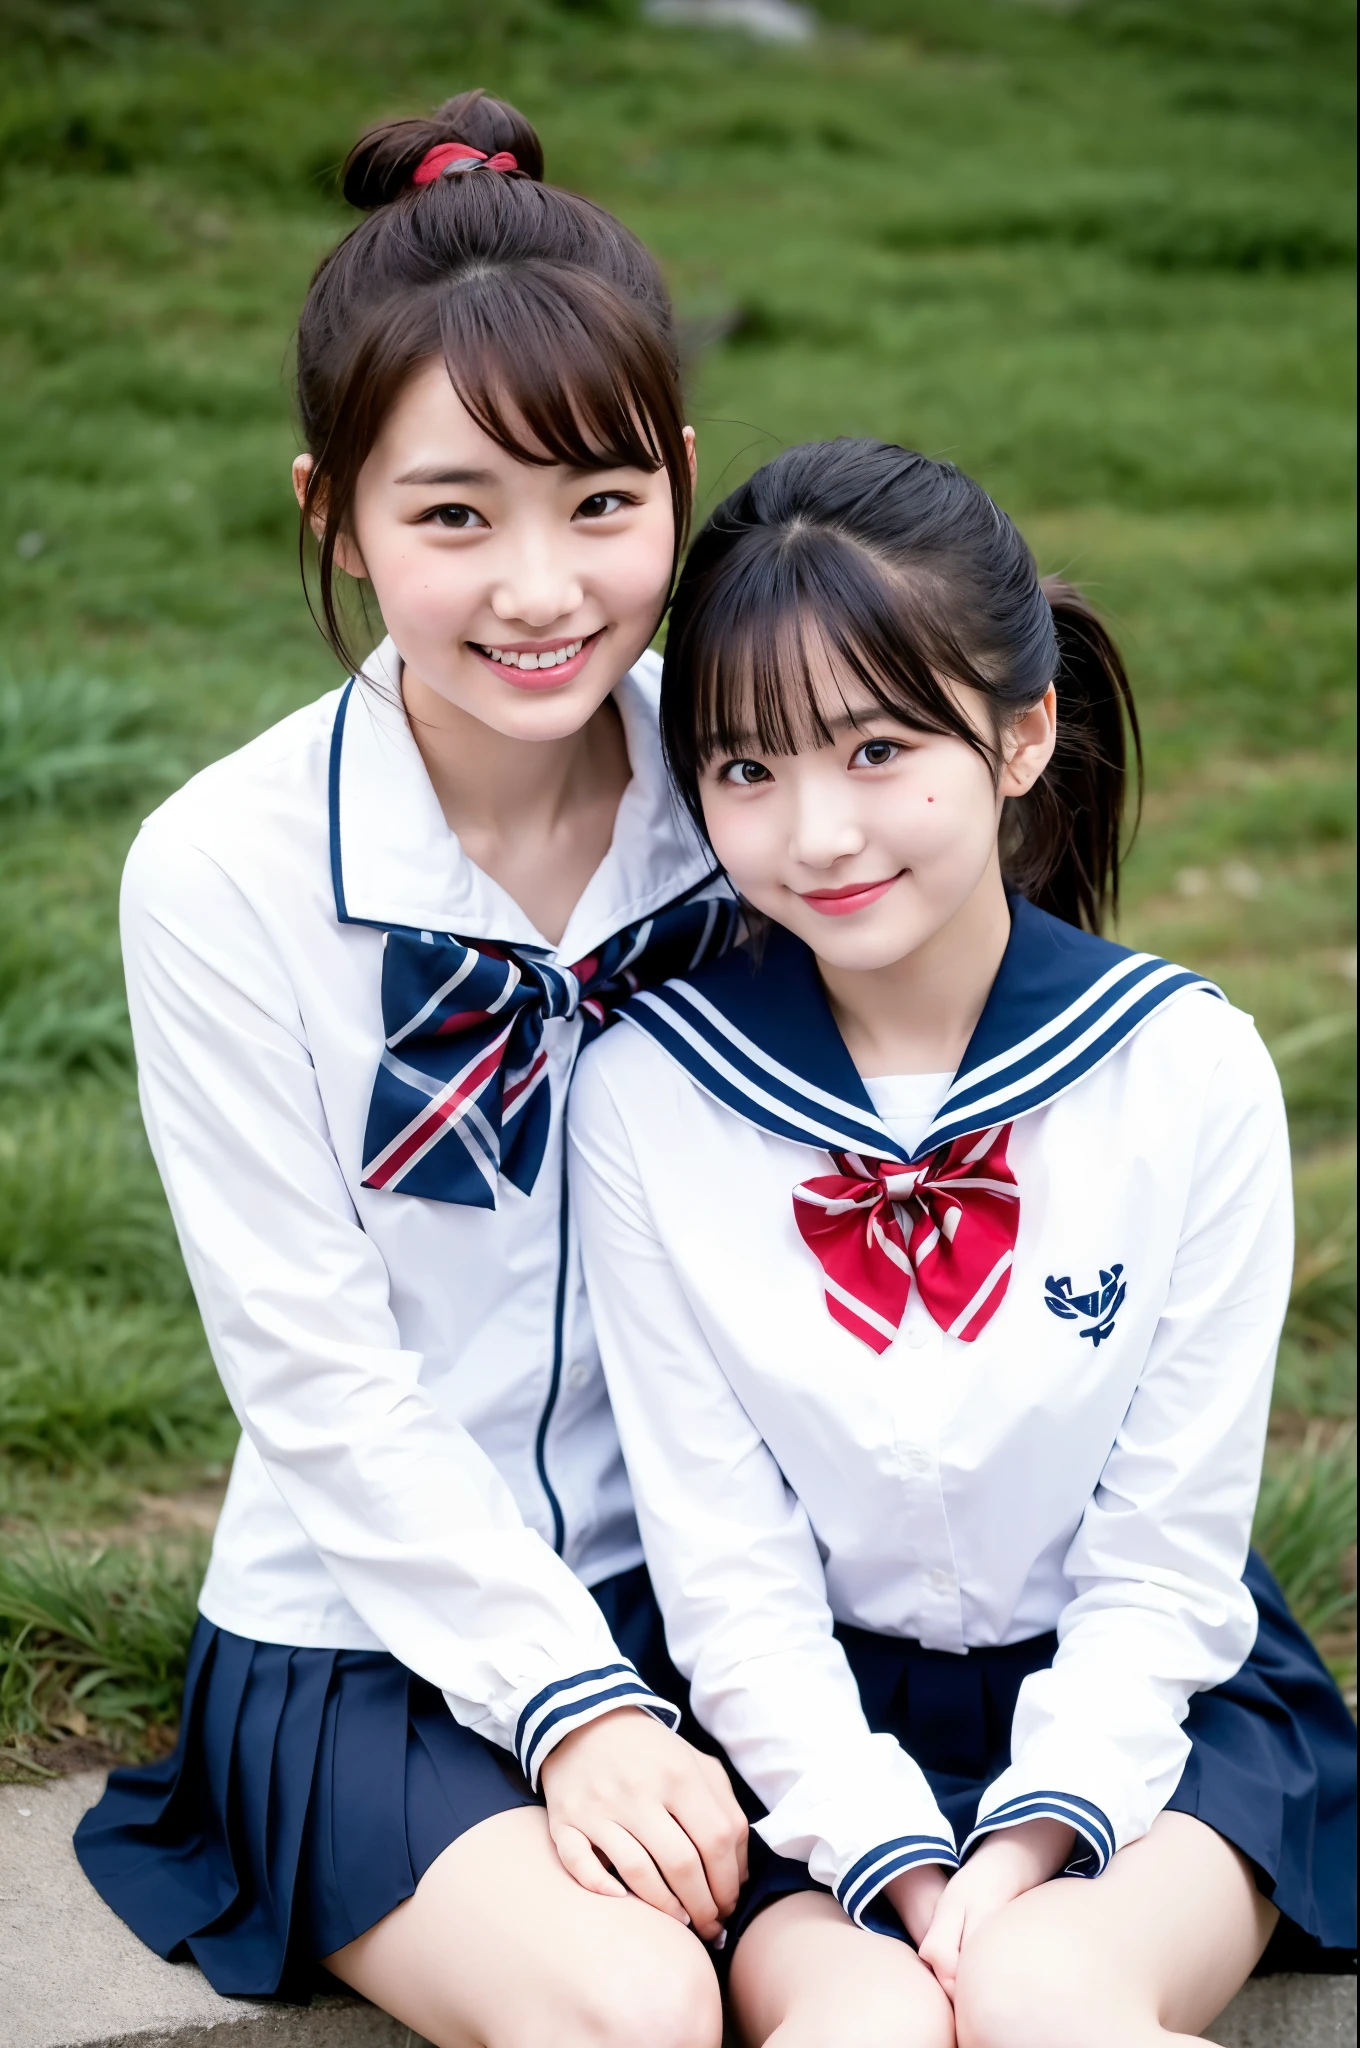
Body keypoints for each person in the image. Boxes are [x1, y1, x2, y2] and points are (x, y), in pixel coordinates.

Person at [74, 89, 748, 2048]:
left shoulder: (754, 796)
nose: (539, 589)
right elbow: (315, 1377)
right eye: (453, 513)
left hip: (730, 1590)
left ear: (680, 482)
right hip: (367, 1624)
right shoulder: (224, 867)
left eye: (600, 504)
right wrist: (574, 1704)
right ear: (335, 519)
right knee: (630, 2010)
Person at [568, 440, 1357, 2048]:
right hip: (790, 1735)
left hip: (1157, 1705)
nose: (818, 833)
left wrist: (1037, 1831)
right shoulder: (650, 1097)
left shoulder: (1185, 1071)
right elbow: (722, 1565)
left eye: (876, 750)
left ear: (1023, 733)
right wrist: (892, 1858)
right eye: (745, 770)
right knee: (862, 2029)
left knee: (1049, 2000)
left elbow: (1165, 1549)